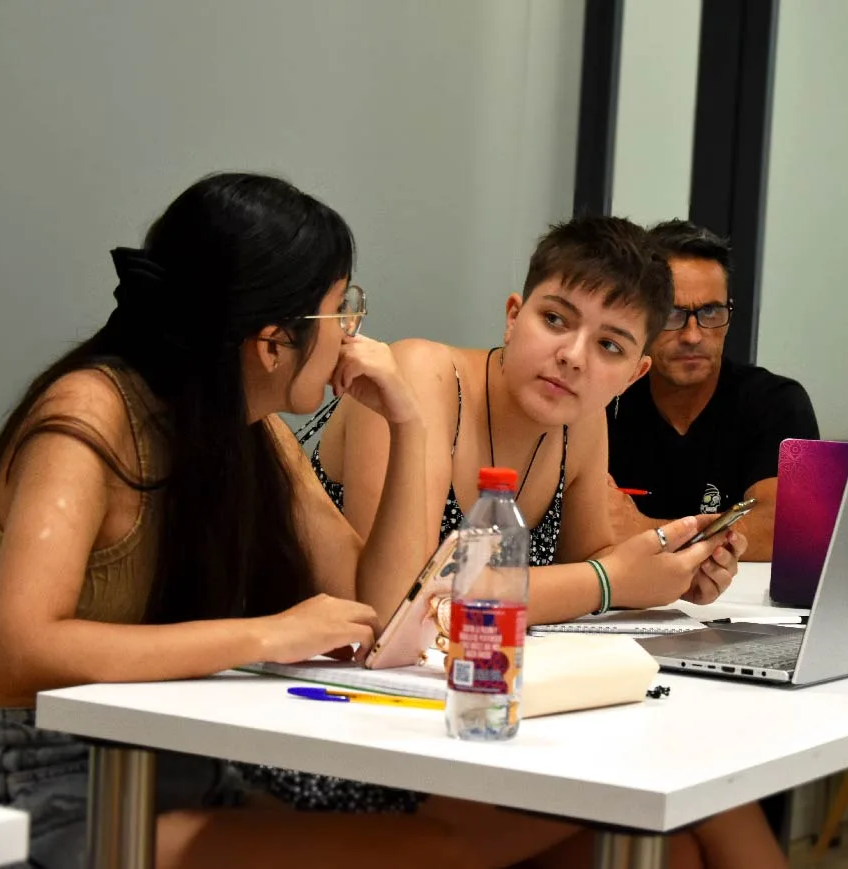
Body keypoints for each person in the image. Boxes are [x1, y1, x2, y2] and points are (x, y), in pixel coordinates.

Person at [0, 173, 484, 868]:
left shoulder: (249, 428)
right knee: (433, 850)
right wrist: (267, 633)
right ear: (274, 343)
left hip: (182, 764)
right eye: (342, 310)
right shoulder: (88, 415)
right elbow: (19, 651)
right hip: (38, 781)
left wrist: (411, 425)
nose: (353, 333)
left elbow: (380, 611)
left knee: (507, 835)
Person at [255, 214, 787, 868]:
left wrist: (678, 569)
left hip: (475, 709)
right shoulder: (422, 375)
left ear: (634, 372)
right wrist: (612, 582)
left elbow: (605, 573)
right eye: (556, 320)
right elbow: (402, 612)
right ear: (514, 314)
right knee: (693, 802)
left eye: (610, 347)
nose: (573, 355)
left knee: (680, 837)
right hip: (350, 718)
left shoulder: (581, 423)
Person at [605, 219, 818, 561]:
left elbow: (784, 529)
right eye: (673, 314)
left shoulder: (775, 402)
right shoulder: (603, 402)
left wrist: (647, 532)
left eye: (710, 311)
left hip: (744, 606)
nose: (693, 335)